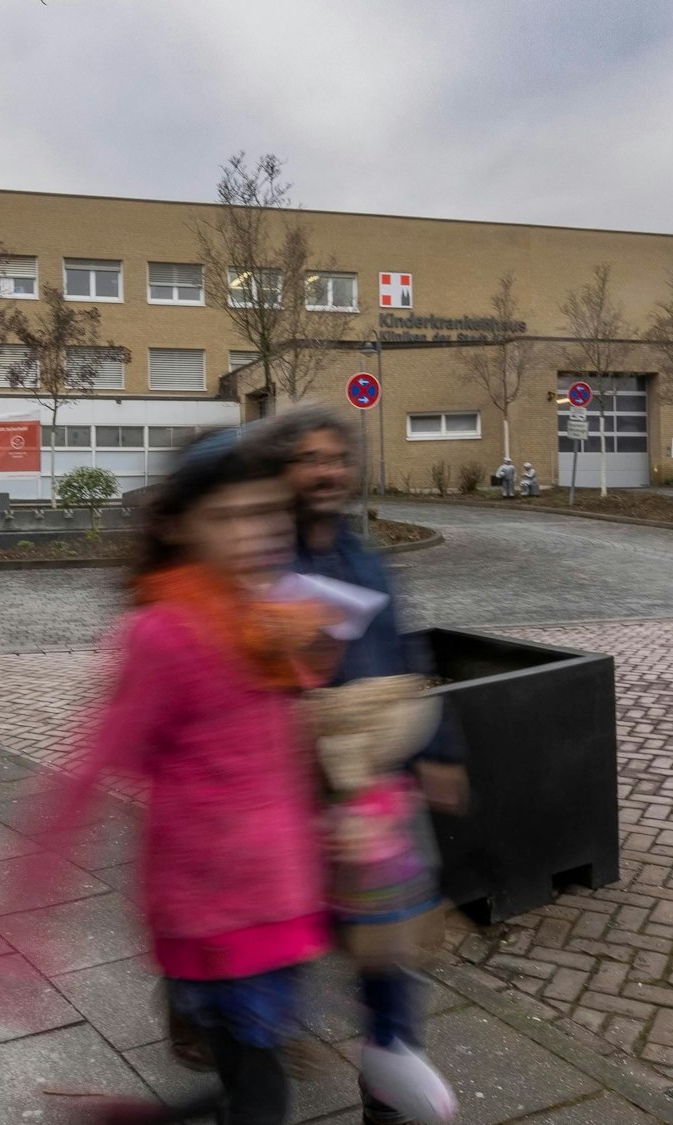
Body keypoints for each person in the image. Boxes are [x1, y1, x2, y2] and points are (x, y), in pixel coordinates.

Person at [0, 429, 337, 1125]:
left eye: (266, 513)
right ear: (179, 526)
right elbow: (90, 771)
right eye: (227, 517)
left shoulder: (265, 614)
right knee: (260, 1080)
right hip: (215, 905)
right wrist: (21, 918)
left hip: (284, 890)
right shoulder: (163, 633)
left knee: (251, 1064)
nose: (252, 534)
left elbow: (282, 746)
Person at [262, 407, 467, 1125]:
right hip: (290, 791)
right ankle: (250, 1056)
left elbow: (406, 653)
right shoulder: (262, 561)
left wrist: (438, 750)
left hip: (374, 789)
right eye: (309, 459)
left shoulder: (365, 556)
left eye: (336, 459)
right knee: (286, 935)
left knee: (390, 942)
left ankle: (387, 1081)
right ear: (283, 471)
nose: (326, 472)